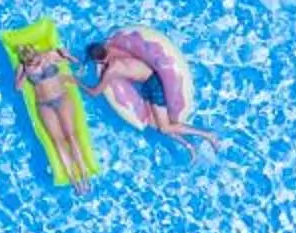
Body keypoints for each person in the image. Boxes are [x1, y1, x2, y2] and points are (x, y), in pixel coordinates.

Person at [84, 36, 222, 155]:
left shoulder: (112, 69)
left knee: (164, 128)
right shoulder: (113, 47)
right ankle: (189, 146)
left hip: (154, 85)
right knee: (153, 123)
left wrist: (74, 81)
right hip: (148, 84)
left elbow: (94, 92)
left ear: (97, 61)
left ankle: (208, 135)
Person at [16, 41, 93, 192]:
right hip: (44, 105)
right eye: (31, 63)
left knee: (71, 136)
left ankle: (85, 176)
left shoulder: (49, 55)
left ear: (37, 53)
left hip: (62, 97)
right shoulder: (23, 67)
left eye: (36, 60)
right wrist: (25, 73)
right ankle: (74, 181)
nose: (36, 64)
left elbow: (75, 63)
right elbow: (18, 88)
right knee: (57, 141)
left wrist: (67, 55)